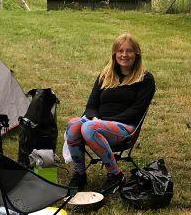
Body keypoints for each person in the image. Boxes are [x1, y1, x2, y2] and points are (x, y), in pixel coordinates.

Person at [66, 33, 155, 192]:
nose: (124, 55)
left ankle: (115, 175)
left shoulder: (145, 79)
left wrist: (100, 122)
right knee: (73, 124)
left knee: (89, 128)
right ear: (114, 53)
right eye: (120, 51)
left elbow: (136, 112)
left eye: (129, 51)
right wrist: (94, 119)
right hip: (97, 124)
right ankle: (79, 174)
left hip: (125, 128)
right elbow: (91, 105)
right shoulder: (105, 75)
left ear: (137, 54)